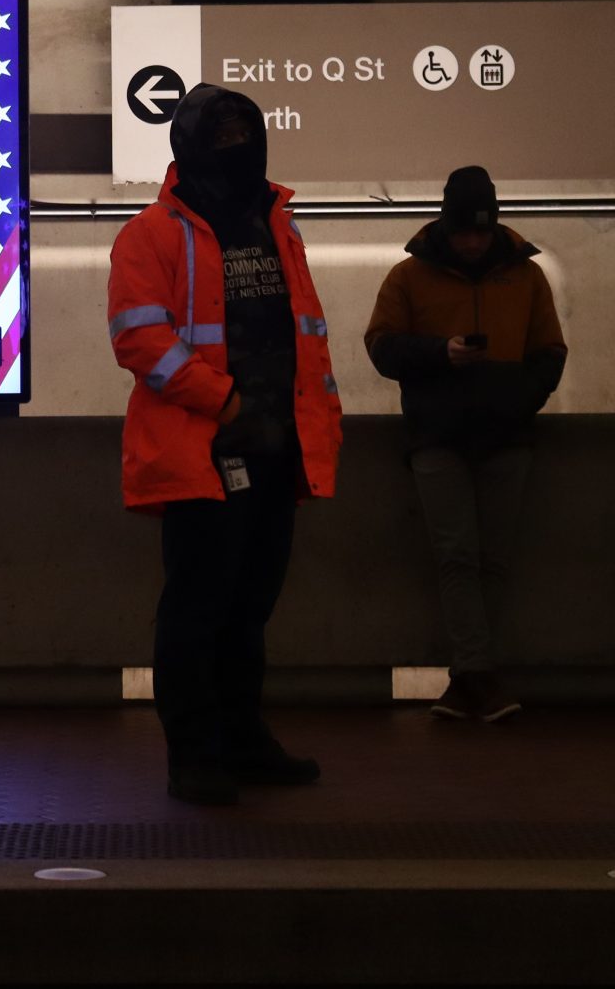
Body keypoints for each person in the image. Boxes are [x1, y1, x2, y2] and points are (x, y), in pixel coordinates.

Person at [107, 84, 344, 805]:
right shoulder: (151, 231)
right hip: (200, 451)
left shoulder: (280, 224)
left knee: (249, 608)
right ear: (187, 142)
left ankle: (244, 741)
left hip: (277, 447)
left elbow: (302, 332)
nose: (237, 141)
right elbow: (139, 337)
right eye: (223, 130)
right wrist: (223, 398)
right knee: (198, 609)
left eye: (246, 127)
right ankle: (195, 755)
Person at [363, 165, 567, 724]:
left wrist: (512, 402)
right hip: (439, 436)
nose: (472, 242)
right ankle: (479, 674)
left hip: (505, 436)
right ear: (446, 227)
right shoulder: (409, 278)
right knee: (458, 553)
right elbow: (381, 347)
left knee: (491, 558)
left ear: (494, 224)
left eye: (480, 231)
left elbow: (550, 352)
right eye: (463, 232)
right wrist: (440, 354)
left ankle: (469, 678)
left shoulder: (527, 278)